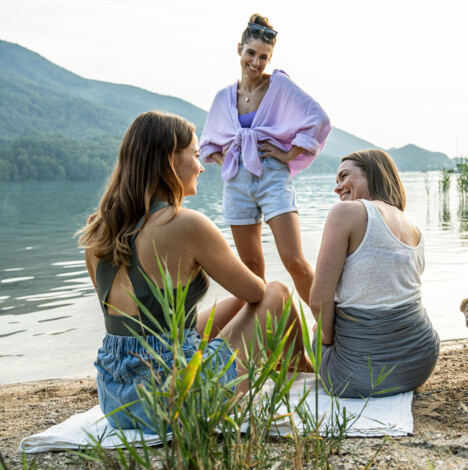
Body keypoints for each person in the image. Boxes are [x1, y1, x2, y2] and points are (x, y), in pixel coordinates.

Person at [78, 110, 311, 430]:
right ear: (170, 161)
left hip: (116, 399)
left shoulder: (98, 229)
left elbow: (135, 324)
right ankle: (306, 373)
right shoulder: (185, 224)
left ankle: (301, 370)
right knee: (277, 293)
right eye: (196, 155)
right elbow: (256, 291)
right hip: (174, 399)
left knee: (240, 305)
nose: (202, 166)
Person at [200, 13, 330, 308]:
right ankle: (261, 345)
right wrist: (229, 162)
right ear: (239, 50)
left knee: (294, 260)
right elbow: (207, 141)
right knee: (250, 269)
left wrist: (289, 153)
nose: (256, 63)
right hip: (236, 183)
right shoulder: (223, 98)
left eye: (264, 57)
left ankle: (327, 336)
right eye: (251, 54)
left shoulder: (279, 86)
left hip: (272, 176)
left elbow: (317, 117)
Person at [309, 149, 440, 398]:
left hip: (354, 377)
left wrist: (327, 341)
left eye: (344, 176)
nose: (337, 188)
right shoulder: (413, 228)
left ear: (373, 174)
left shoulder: (345, 213)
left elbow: (318, 301)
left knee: (318, 327)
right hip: (420, 365)